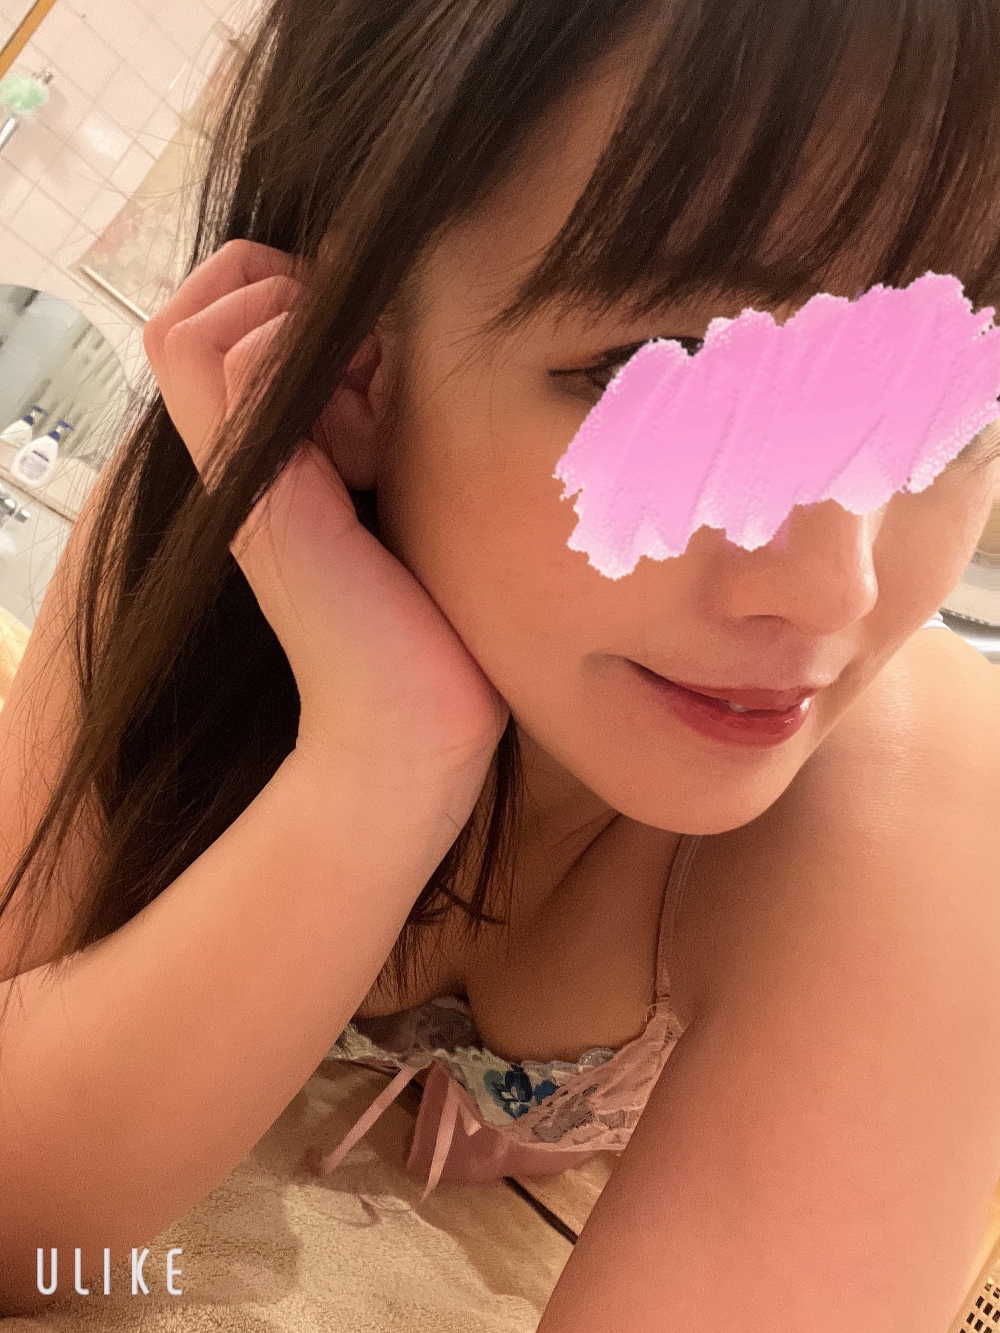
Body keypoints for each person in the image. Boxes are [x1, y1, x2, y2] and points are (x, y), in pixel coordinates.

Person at [0, 0, 998, 1325]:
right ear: (359, 364)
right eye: (665, 376)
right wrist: (385, 759)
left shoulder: (924, 807)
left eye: (949, 412)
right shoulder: (227, 518)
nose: (838, 586)